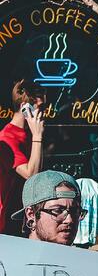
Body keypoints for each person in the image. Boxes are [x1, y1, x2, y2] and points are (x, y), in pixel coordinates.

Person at [0, 79, 46, 234]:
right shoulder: (7, 137)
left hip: (25, 216)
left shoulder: (28, 135)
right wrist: (37, 136)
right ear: (25, 108)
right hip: (7, 220)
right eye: (41, 107)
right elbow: (31, 174)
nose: (44, 113)